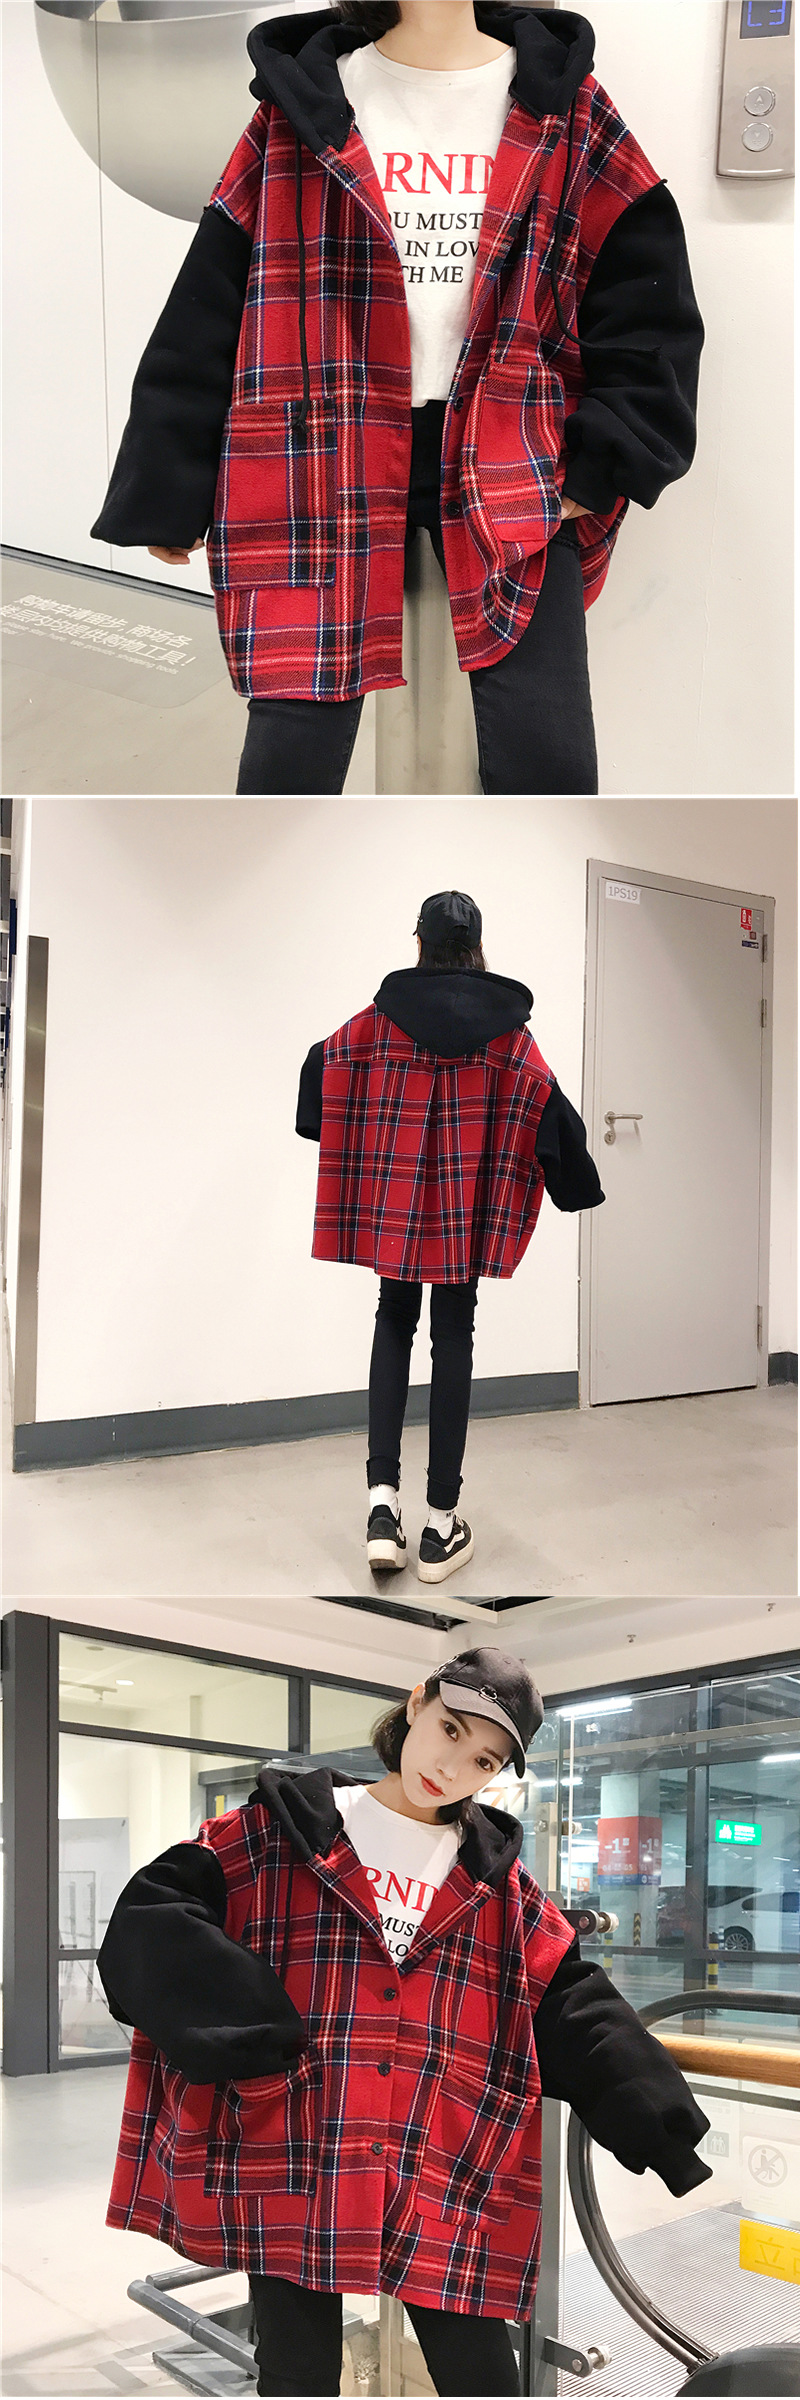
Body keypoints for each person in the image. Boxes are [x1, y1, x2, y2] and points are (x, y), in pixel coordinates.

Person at [90, 0, 704, 797]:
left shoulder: (566, 106)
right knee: (288, 756)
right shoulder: (306, 104)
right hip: (322, 453)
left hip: (507, 450)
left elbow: (644, 288)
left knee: (547, 753)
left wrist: (607, 459)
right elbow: (212, 298)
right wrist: (167, 487)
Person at [96, 1646, 713, 2400]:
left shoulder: (497, 1884)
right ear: (418, 1702)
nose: (452, 1768)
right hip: (291, 2135)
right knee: (296, 2371)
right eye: (450, 1729)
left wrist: (658, 2122)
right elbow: (153, 1916)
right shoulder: (280, 1831)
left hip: (436, 2145)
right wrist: (247, 2028)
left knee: (480, 2374)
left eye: (483, 1760)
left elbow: (566, 1999)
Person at [296, 889, 604, 1583]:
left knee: (392, 1321)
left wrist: (330, 1123)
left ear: (420, 945)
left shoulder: (380, 1021)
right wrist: (575, 1182)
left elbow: (323, 1062)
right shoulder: (509, 1035)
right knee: (454, 1337)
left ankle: (382, 1509)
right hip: (464, 1210)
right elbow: (549, 1105)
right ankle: (440, 1525)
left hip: (399, 1206)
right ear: (478, 949)